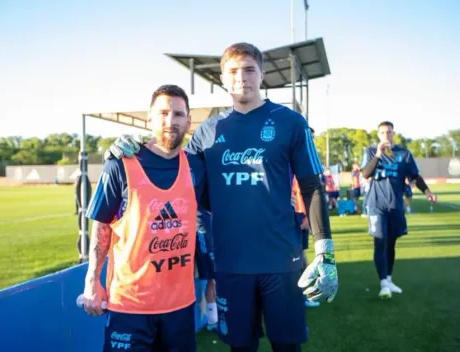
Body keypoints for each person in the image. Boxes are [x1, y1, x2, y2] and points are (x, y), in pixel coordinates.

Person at [107, 42, 338, 352]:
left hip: (282, 261)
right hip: (230, 264)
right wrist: (132, 146)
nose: (241, 77)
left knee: (287, 346)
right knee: (241, 347)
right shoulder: (208, 132)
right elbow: (171, 165)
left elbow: (312, 188)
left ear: (262, 74)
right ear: (223, 79)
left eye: (249, 70)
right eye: (233, 71)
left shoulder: (290, 122)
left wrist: (326, 251)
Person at [82, 84, 213, 351]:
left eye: (178, 114)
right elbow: (101, 226)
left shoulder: (197, 167)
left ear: (188, 121)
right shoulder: (119, 163)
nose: (170, 121)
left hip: (180, 306)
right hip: (130, 305)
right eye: (163, 113)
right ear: (149, 118)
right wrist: (91, 280)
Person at [361, 121, 437, 300]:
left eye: (388, 132)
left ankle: (388, 279)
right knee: (380, 242)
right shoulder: (371, 152)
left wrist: (427, 192)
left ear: (393, 133)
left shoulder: (404, 154)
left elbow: (415, 176)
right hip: (376, 205)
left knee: (392, 243)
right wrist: (378, 155)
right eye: (382, 132)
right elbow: (365, 173)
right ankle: (383, 284)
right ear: (378, 135)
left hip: (395, 205)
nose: (386, 135)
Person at [291, 177, 320, 308]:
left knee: (299, 256)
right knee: (295, 257)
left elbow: (310, 192)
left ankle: (302, 295)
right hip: (288, 214)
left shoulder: (300, 168)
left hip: (299, 215)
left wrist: (308, 216)